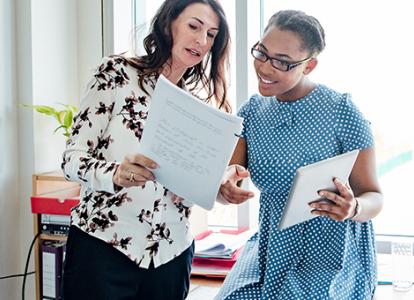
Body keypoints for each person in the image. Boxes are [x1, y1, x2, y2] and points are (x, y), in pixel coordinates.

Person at [60, 1, 231, 299]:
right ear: (168, 25)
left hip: (171, 256)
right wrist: (116, 173)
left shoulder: (199, 109)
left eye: (211, 35)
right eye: (194, 26)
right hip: (103, 247)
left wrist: (218, 188)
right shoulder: (116, 73)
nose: (202, 41)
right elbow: (71, 160)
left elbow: (188, 186)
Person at [215, 9, 384, 299]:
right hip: (272, 246)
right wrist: (223, 187)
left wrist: (353, 207)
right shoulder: (252, 113)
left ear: (309, 65)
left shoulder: (341, 112)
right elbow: (229, 183)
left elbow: (374, 197)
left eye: (283, 62)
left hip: (331, 252)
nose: (266, 69)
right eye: (262, 53)